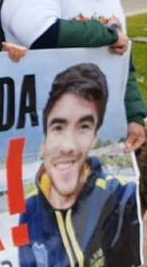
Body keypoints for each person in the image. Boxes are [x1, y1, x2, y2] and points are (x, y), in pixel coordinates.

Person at [1, 0, 146, 152]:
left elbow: (123, 63)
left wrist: (135, 116)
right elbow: (44, 34)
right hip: (35, 117)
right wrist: (107, 35)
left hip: (94, 122)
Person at [19, 63, 140, 266]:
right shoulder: (29, 211)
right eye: (58, 127)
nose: (68, 146)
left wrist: (135, 116)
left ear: (95, 137)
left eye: (84, 127)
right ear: (44, 139)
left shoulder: (122, 198)